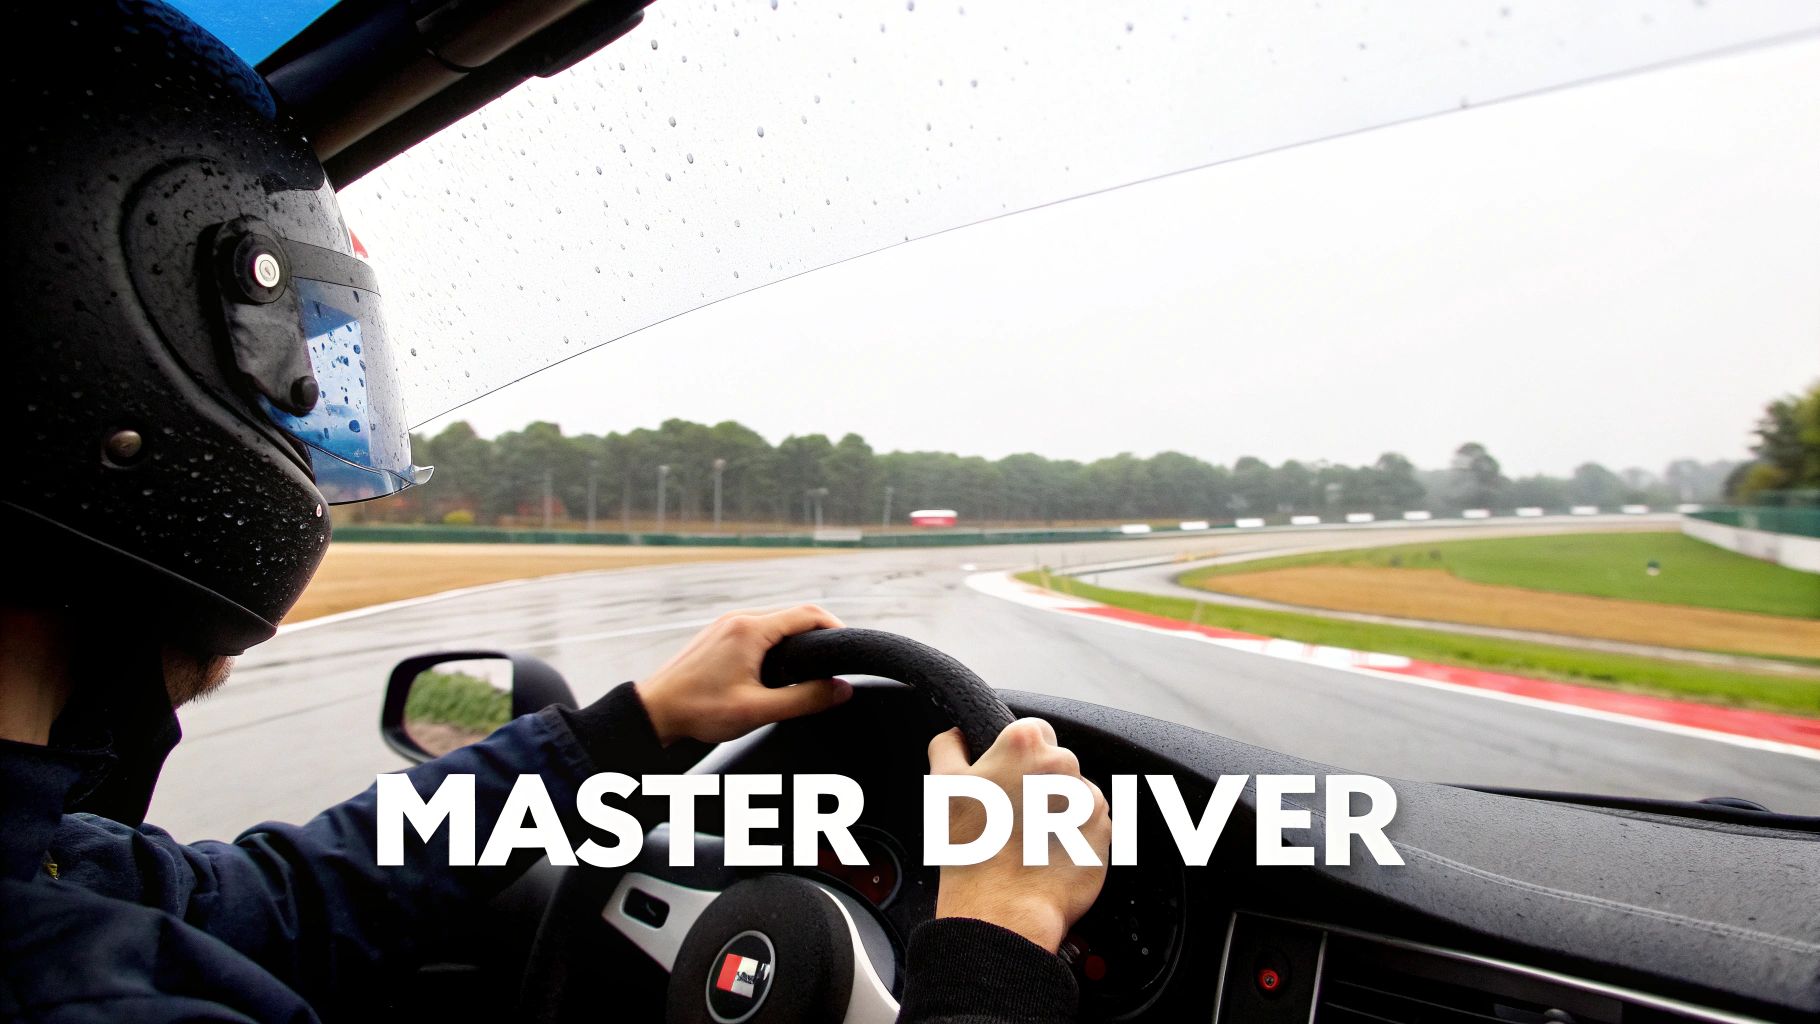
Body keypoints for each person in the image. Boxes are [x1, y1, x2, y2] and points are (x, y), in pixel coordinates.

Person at [0, 3, 1110, 1021]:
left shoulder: (53, 875)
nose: (303, 444)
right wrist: (994, 942)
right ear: (124, 381)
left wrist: (630, 725)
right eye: (294, 384)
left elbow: (290, 899)